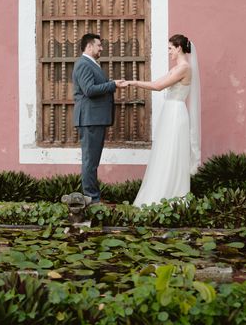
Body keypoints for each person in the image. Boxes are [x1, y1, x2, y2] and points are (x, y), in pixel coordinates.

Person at [122, 34, 201, 206]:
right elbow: (157, 82)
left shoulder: (184, 68)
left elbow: (158, 87)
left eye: (170, 48)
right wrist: (131, 82)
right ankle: (161, 192)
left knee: (172, 152)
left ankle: (171, 195)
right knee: (165, 151)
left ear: (179, 47)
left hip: (176, 113)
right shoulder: (177, 68)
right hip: (170, 111)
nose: (169, 52)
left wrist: (133, 83)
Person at [73, 33, 125, 204]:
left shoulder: (90, 64)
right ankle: (91, 199)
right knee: (90, 161)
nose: (101, 48)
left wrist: (111, 83)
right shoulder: (83, 64)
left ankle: (93, 197)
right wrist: (112, 85)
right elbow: (89, 90)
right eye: (99, 45)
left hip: (94, 119)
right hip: (90, 119)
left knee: (92, 160)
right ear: (89, 46)